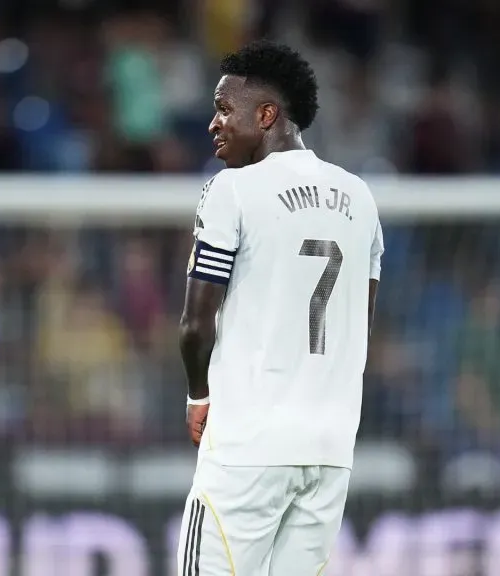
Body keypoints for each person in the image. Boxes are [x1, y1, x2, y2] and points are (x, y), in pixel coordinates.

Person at [176, 40, 383, 575]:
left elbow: (195, 326)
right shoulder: (360, 197)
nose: (213, 123)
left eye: (225, 109)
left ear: (267, 115)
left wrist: (199, 396)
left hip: (249, 441)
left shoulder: (232, 190)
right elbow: (359, 323)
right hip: (330, 447)